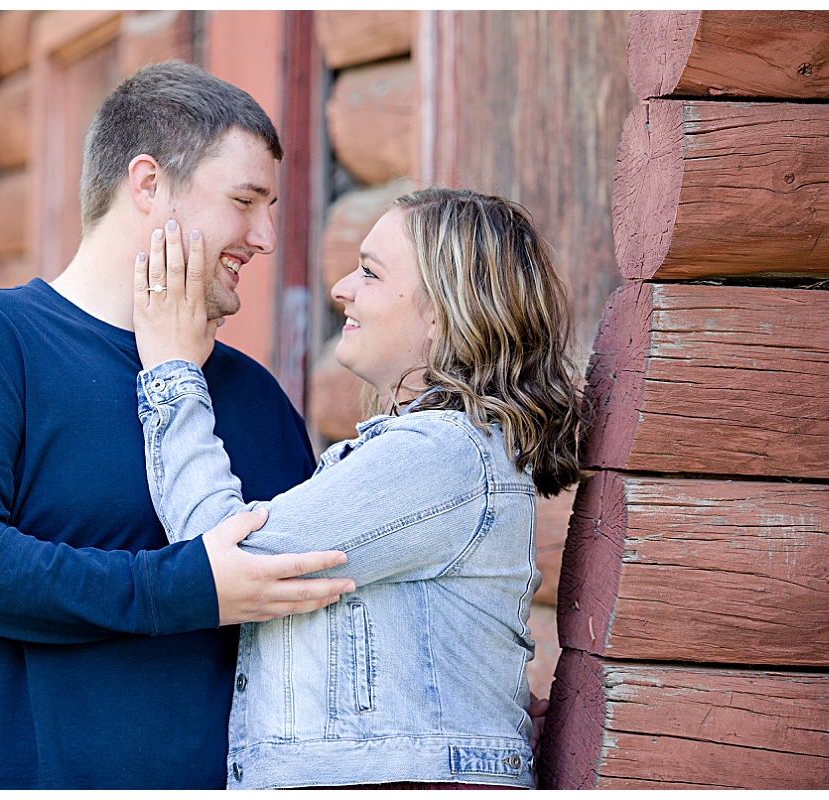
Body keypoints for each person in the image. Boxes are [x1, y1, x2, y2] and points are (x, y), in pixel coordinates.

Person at [0, 61, 357, 789]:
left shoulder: (256, 398)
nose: (263, 236)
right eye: (245, 200)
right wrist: (185, 586)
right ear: (147, 183)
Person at [131, 187, 581, 788]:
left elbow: (220, 559)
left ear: (441, 315)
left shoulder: (440, 454)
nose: (341, 287)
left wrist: (170, 370)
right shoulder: (435, 452)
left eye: (369, 272)